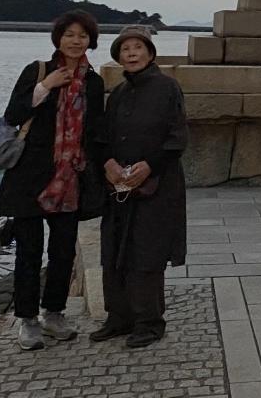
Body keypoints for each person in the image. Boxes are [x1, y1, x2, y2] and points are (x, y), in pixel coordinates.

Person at [0, 9, 106, 351]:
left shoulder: (94, 82)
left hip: (71, 179)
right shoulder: (38, 70)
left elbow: (96, 130)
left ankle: (54, 313)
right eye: (69, 34)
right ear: (58, 38)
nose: (76, 41)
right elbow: (13, 115)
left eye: (83, 36)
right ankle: (27, 319)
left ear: (91, 41)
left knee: (62, 252)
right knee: (28, 252)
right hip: (31, 178)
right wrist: (45, 87)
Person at [90, 24, 188, 348]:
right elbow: (102, 138)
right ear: (119, 56)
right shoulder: (118, 94)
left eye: (137, 48)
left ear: (149, 53)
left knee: (146, 252)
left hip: (156, 185)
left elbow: (177, 138)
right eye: (125, 49)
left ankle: (149, 322)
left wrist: (149, 166)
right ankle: (118, 317)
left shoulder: (168, 88)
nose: (131, 54)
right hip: (119, 186)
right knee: (114, 249)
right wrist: (108, 164)